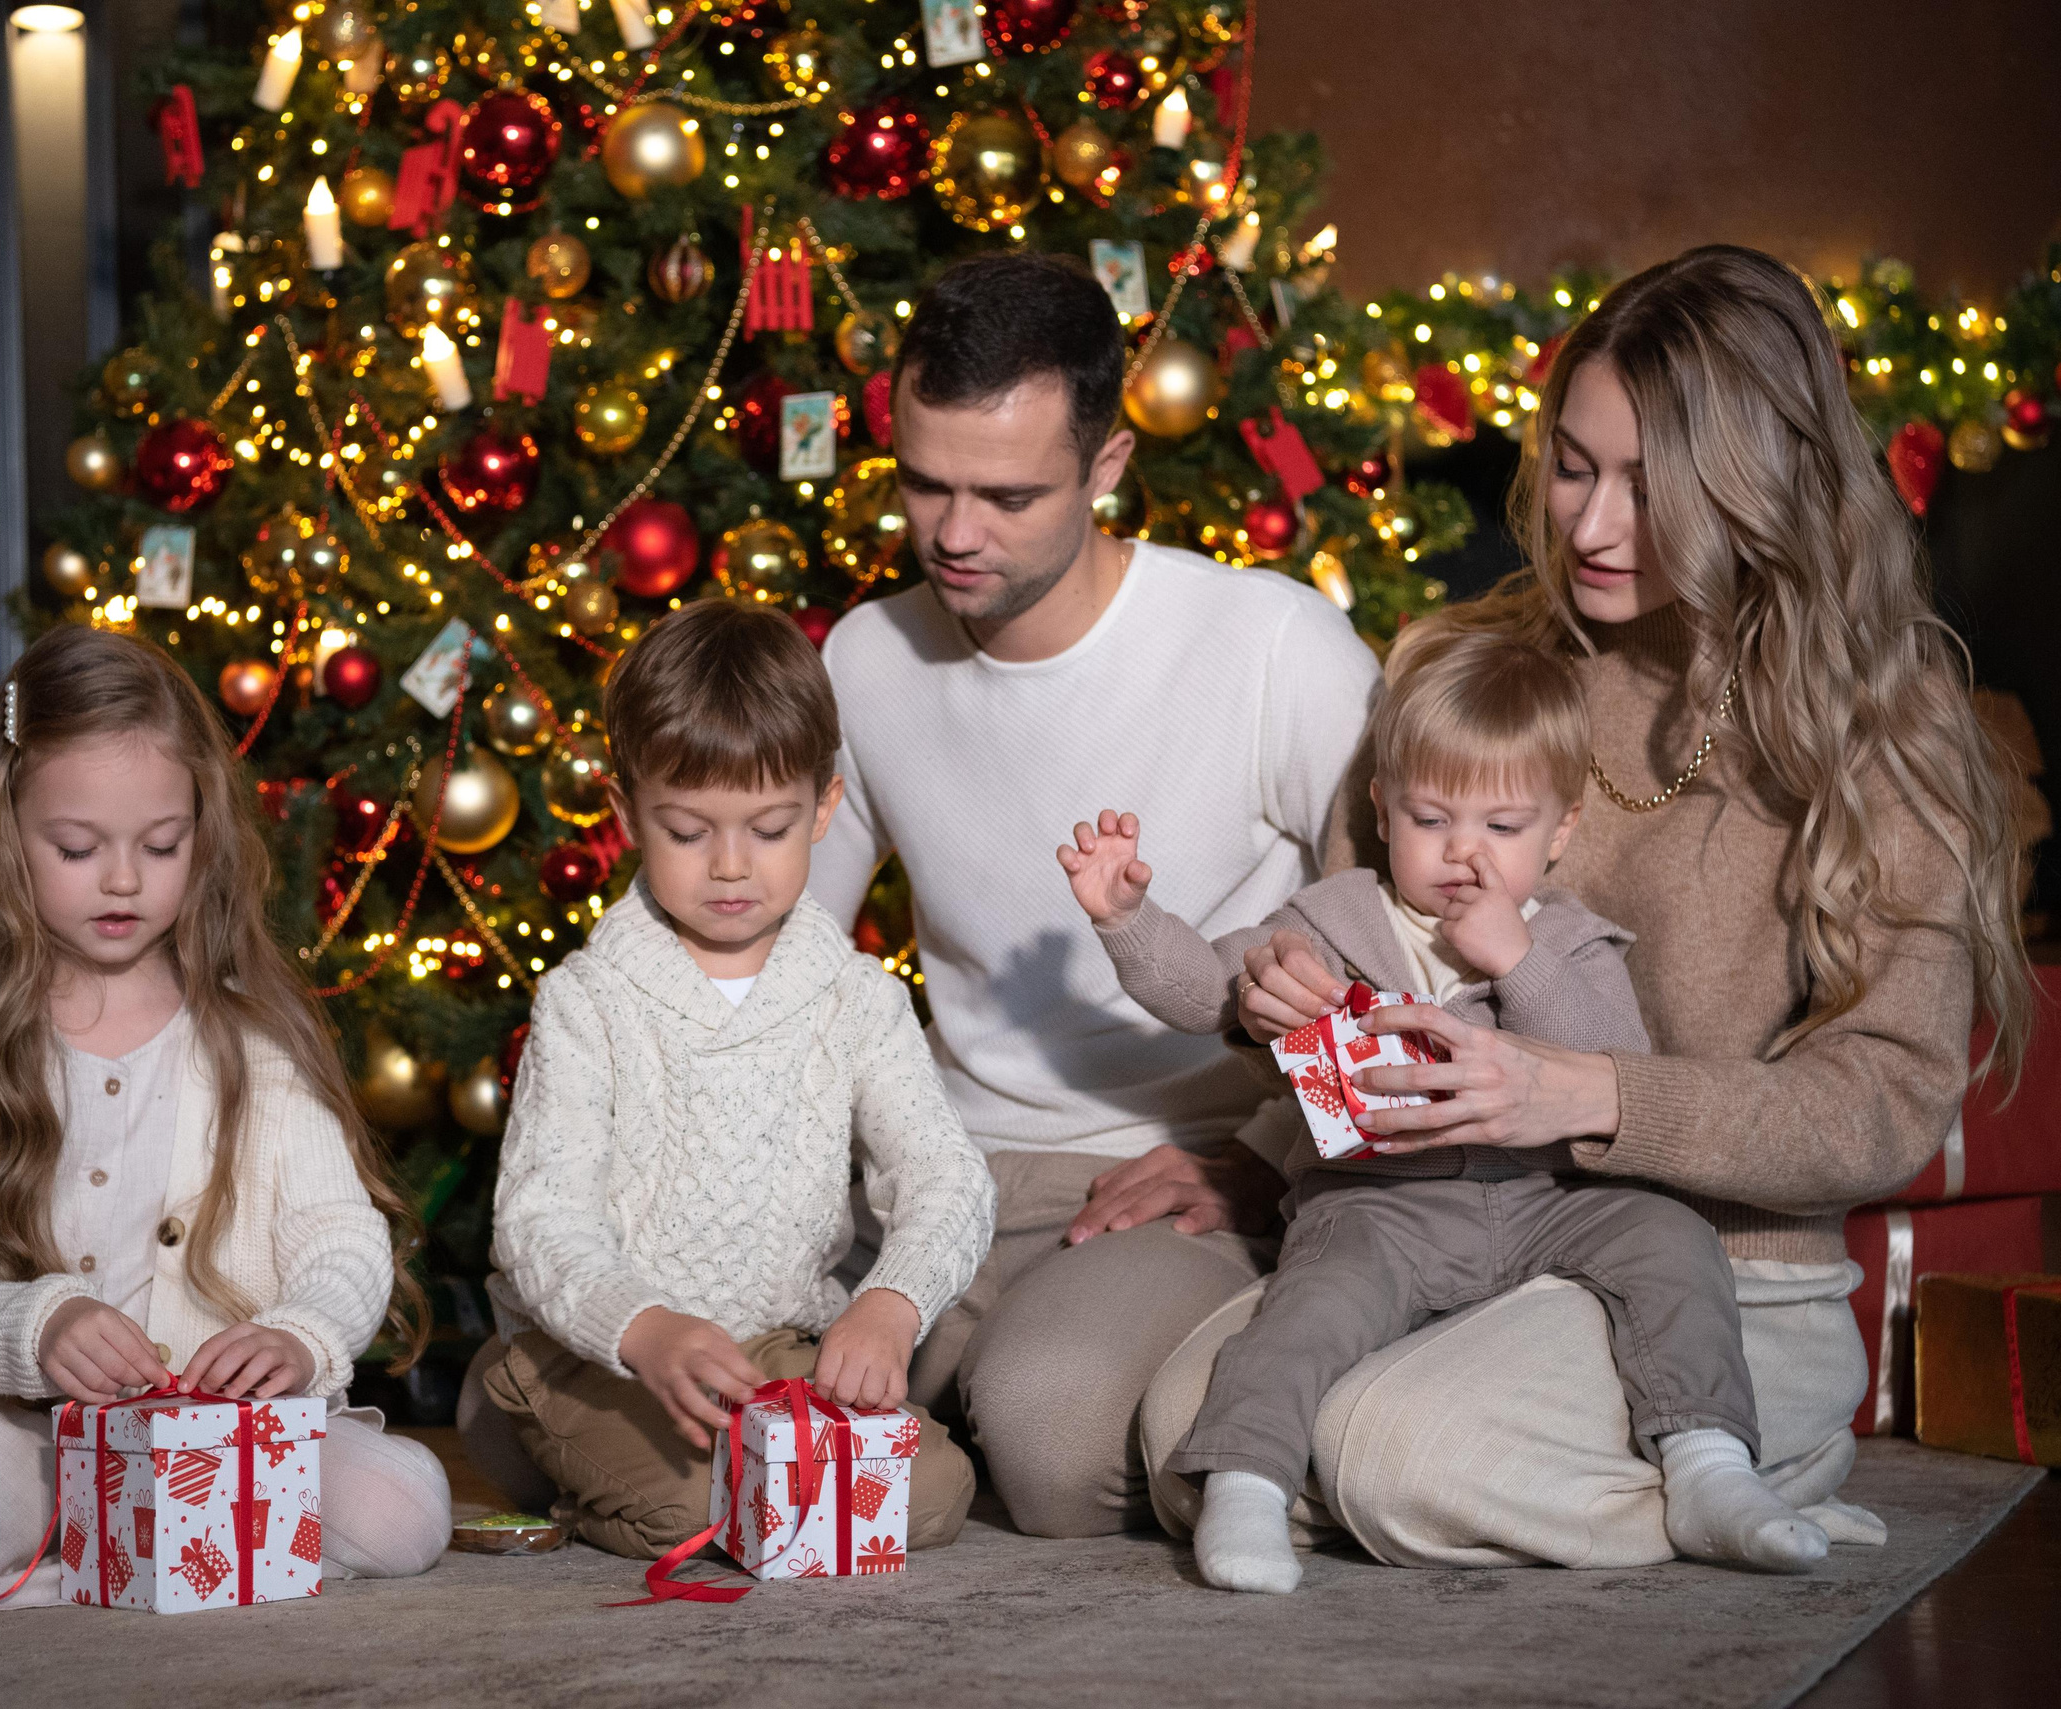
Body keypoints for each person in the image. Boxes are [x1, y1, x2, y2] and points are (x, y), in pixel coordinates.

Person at [1144, 242, 2033, 1570]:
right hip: (1434, 1224)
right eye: (1573, 465)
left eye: (1652, 488)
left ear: (1764, 484)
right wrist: (1278, 1044)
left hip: (1713, 1269)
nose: (1593, 526)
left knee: (1387, 1456)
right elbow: (1363, 954)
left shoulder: (1884, 733)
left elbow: (1884, 1105)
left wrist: (1593, 1096)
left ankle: (1758, 1453)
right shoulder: (1474, 668)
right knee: (1183, 1434)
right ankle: (1533, 1451)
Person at [807, 251, 1381, 1537]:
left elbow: (1402, 944)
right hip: (937, 1175)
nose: (955, 534)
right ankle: (967, 1391)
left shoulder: (1272, 645)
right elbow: (779, 954)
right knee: (637, 1392)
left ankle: (1059, 1383)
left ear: (1108, 463)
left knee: (1055, 1441)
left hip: (1176, 1175)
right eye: (924, 483)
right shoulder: (867, 656)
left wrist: (1268, 1161)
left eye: (1008, 495)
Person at [1066, 625, 1827, 1592]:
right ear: (1383, 809)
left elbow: (1618, 1064)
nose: (1465, 853)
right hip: (1385, 1204)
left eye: (1503, 829)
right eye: (1432, 819)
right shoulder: (1335, 920)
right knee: (1310, 1305)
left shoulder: (1572, 940)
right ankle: (1247, 1485)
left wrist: (1520, 960)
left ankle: (1709, 1464)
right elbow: (1205, 989)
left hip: (1555, 1196)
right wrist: (1128, 919)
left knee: (1672, 1241)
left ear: (1560, 832)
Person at [0, 626, 451, 1616]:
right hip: (11, 1421)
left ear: (203, 835)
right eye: (77, 848)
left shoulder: (254, 1043)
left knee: (403, 1509)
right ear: (5, 834)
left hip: (211, 1429)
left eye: (161, 845)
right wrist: (36, 1327)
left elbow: (342, 1238)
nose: (123, 878)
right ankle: (114, 1539)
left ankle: (116, 1539)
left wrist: (297, 1337)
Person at [467, 599, 995, 1560]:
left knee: (927, 1491)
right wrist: (642, 1327)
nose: (729, 866)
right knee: (710, 1511)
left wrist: (892, 1301)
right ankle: (529, 1424)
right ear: (627, 813)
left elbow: (945, 1175)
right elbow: (540, 1216)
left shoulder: (853, 996)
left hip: (774, 1350)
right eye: (686, 830)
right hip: (611, 1353)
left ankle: (599, 1461)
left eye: (769, 827)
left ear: (823, 808)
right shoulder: (589, 1000)